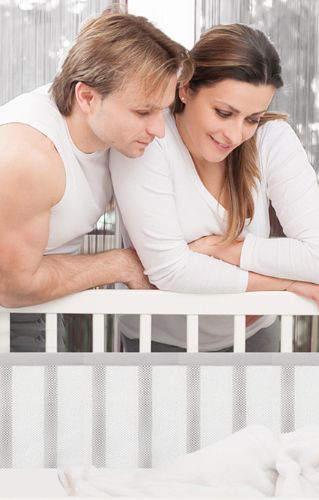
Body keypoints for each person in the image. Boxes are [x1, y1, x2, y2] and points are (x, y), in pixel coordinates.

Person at [110, 23, 319, 353]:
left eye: (251, 119)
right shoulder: (148, 138)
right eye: (223, 113)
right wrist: (286, 284)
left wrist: (220, 248)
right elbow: (171, 271)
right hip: (162, 342)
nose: (235, 135)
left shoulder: (272, 138)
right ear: (186, 89)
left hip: (254, 337)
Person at [0, 11, 191, 351]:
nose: (159, 130)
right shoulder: (29, 156)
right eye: (143, 112)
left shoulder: (113, 135)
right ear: (86, 97)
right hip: (11, 309)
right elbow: (12, 286)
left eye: (161, 111)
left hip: (40, 304)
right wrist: (120, 263)